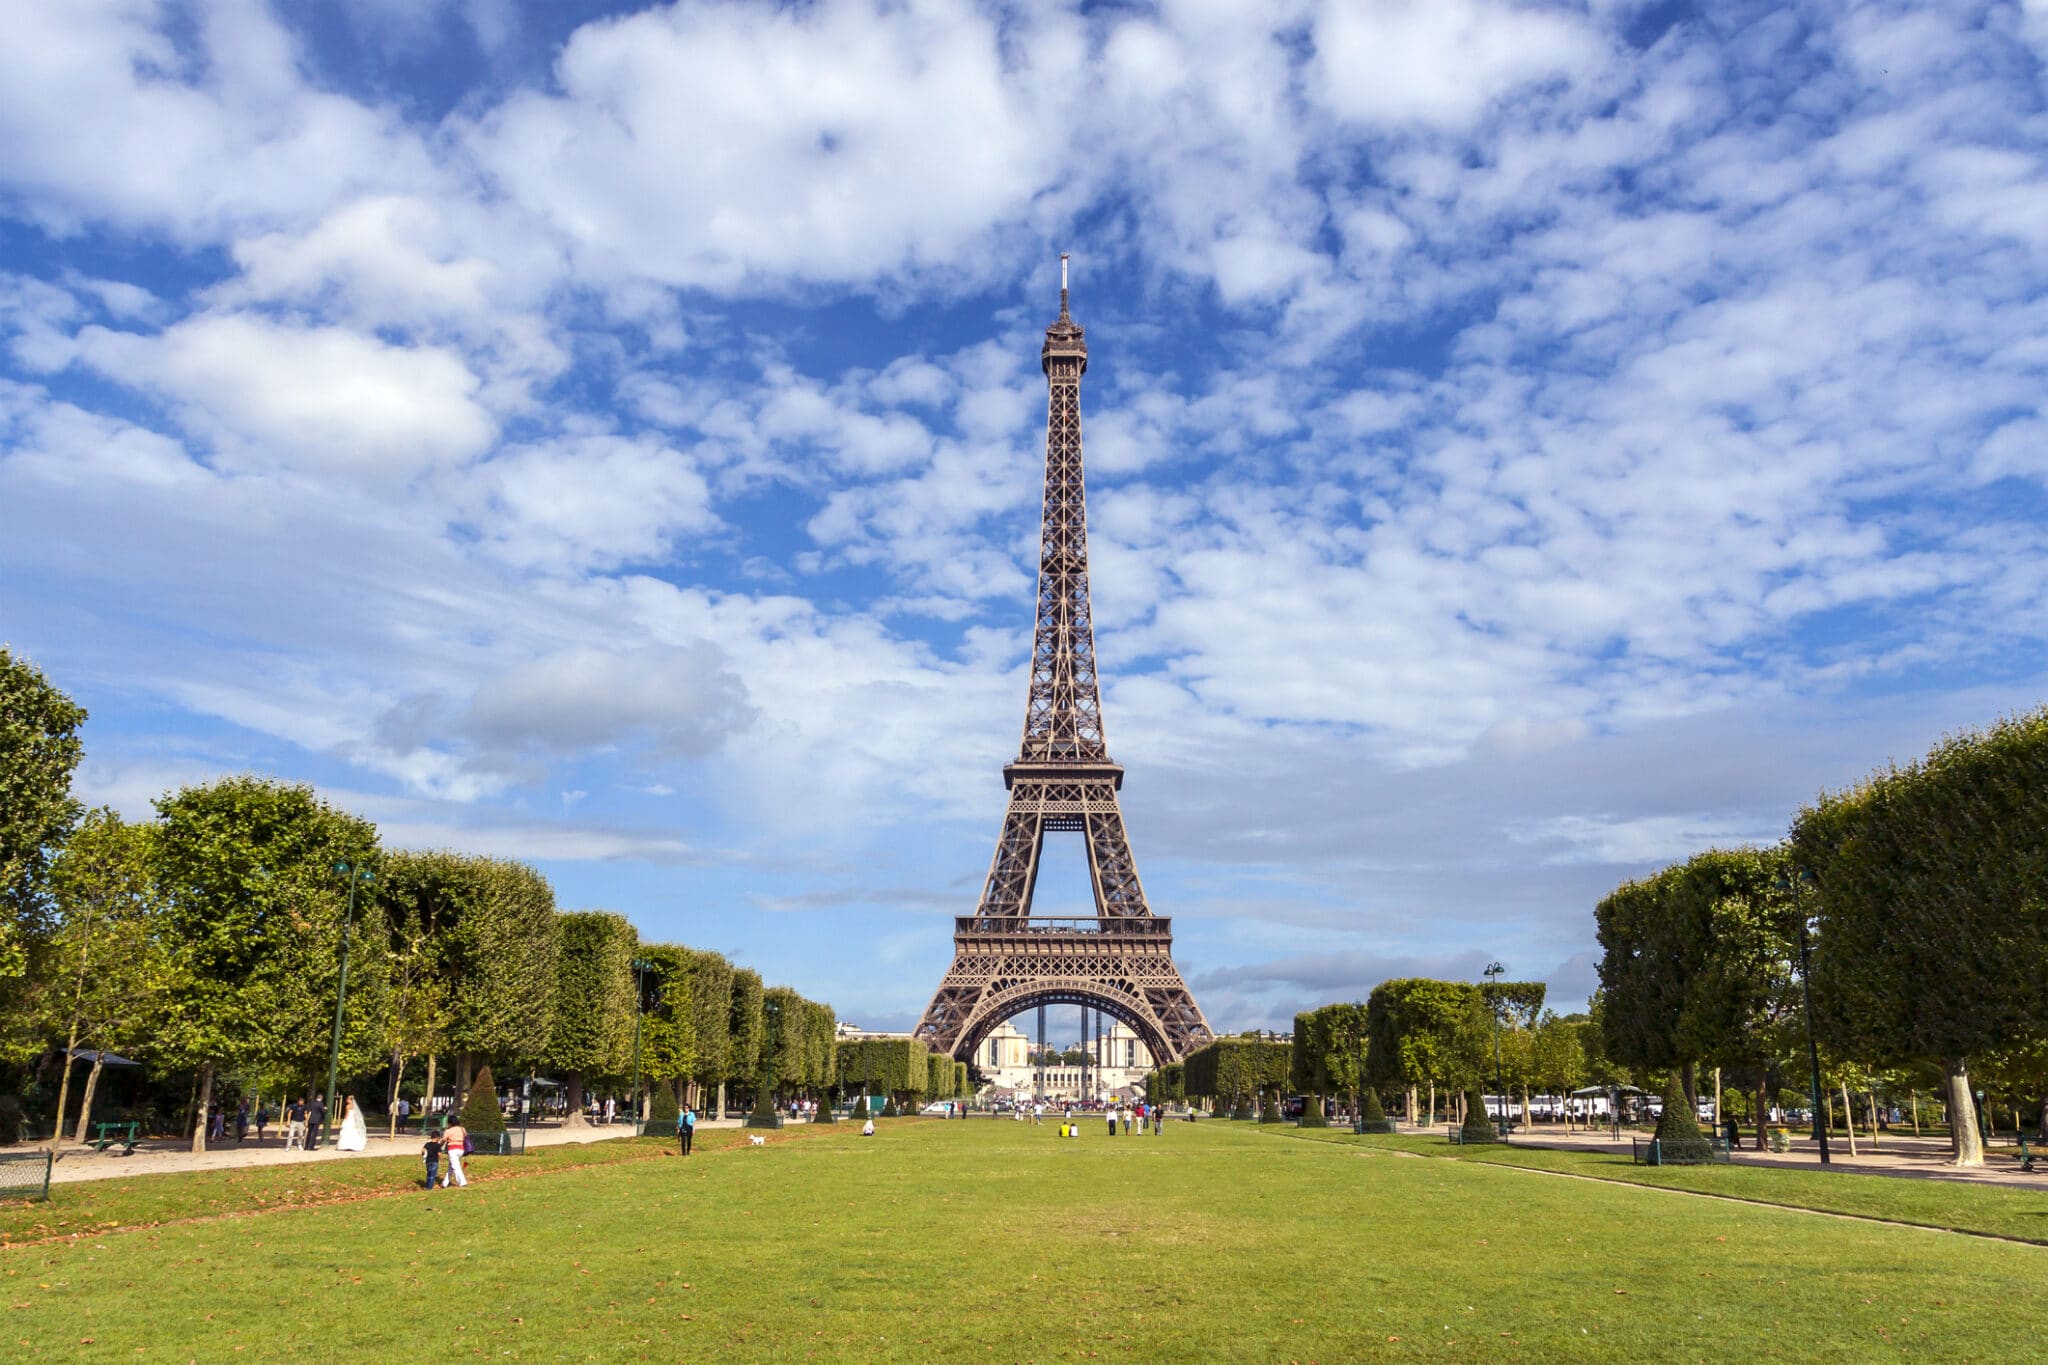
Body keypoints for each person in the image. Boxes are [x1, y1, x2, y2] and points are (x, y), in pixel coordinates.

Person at [442, 1118, 469, 1187]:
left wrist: (438, 1146)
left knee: (455, 1166)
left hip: (452, 1149)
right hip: (461, 1149)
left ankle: (462, 1182)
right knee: (451, 1167)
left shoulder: (448, 1131)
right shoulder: (462, 1129)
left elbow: (443, 1140)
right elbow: (465, 1136)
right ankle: (444, 1183)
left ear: (450, 1123)